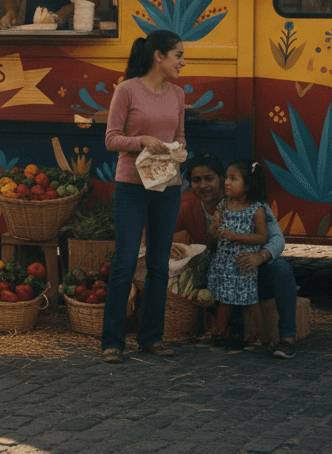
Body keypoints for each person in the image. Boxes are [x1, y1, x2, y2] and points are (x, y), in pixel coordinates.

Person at [100, 30, 186, 363]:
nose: (181, 62)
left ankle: (151, 337)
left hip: (168, 185)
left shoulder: (178, 94)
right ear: (158, 57)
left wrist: (179, 152)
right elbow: (111, 139)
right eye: (177, 55)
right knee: (124, 263)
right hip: (132, 186)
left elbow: (180, 136)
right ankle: (113, 341)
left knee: (159, 265)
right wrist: (142, 141)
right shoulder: (127, 90)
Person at [175, 153, 299, 358]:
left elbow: (276, 238)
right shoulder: (192, 206)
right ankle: (226, 331)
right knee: (222, 299)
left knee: (282, 269)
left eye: (210, 179)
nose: (203, 186)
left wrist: (261, 257)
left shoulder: (254, 207)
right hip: (219, 273)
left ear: (220, 178)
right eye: (196, 181)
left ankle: (287, 338)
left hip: (249, 271)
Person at [205, 160, 270, 340]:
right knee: (224, 299)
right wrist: (214, 227)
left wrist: (235, 236)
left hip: (243, 265)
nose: (226, 182)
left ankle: (254, 337)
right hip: (224, 264)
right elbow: (214, 234)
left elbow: (262, 237)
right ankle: (219, 332)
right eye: (226, 177)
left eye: (233, 179)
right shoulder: (223, 205)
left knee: (248, 302)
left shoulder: (256, 210)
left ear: (248, 186)